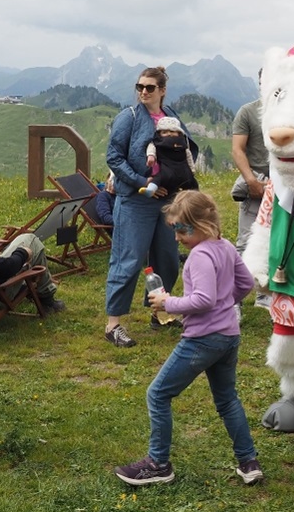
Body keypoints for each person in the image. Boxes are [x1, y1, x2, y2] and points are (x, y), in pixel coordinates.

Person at [115, 191, 262, 486]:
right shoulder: (225, 247)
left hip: (203, 339)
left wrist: (168, 303)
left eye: (183, 229)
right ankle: (249, 462)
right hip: (228, 336)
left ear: (203, 223)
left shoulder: (200, 256)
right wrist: (225, 305)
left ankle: (158, 464)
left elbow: (204, 300)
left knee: (157, 394)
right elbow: (246, 283)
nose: (178, 237)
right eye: (174, 229)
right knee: (227, 399)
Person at [104, 66, 199, 347]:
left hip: (167, 200)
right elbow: (114, 157)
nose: (143, 92)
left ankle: (160, 313)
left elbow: (187, 147)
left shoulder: (171, 116)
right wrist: (141, 183)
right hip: (135, 201)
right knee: (128, 260)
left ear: (162, 90)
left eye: (149, 88)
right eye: (139, 87)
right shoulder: (129, 117)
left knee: (167, 257)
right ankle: (113, 325)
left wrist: (178, 175)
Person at [230, 74, 271, 308]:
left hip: (284, 185)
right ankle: (233, 298)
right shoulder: (247, 112)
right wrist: (251, 181)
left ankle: (264, 292)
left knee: (279, 241)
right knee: (246, 240)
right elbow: (237, 150)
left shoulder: (290, 113)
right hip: (257, 182)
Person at [141, 116, 198, 196]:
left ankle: (196, 197)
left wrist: (192, 169)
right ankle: (150, 190)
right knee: (158, 178)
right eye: (164, 132)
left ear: (179, 133)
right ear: (159, 134)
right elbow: (151, 148)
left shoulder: (183, 145)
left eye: (172, 131)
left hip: (183, 170)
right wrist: (151, 156)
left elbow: (188, 156)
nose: (169, 134)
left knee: (191, 182)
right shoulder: (157, 144)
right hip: (167, 170)